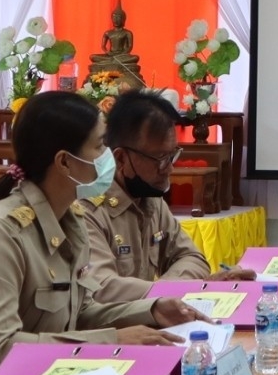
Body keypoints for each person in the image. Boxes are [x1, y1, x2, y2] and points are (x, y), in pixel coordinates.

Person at [0, 92, 197, 375]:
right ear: (64, 162)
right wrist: (112, 340)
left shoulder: (70, 220)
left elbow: (81, 312)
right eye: (100, 147)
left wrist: (152, 310)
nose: (109, 157)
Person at [81, 90, 252, 303]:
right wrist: (173, 292)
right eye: (161, 158)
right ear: (121, 158)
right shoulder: (88, 209)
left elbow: (192, 258)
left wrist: (169, 290)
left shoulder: (150, 199)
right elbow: (103, 289)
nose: (169, 169)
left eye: (173, 155)